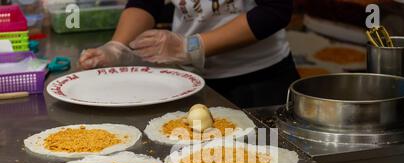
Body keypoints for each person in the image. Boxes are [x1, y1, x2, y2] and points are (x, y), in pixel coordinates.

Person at [78, 1, 299, 108]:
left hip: (259, 81)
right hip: (191, 80)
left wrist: (193, 46)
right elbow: (146, 2)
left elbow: (275, 10)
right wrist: (117, 46)